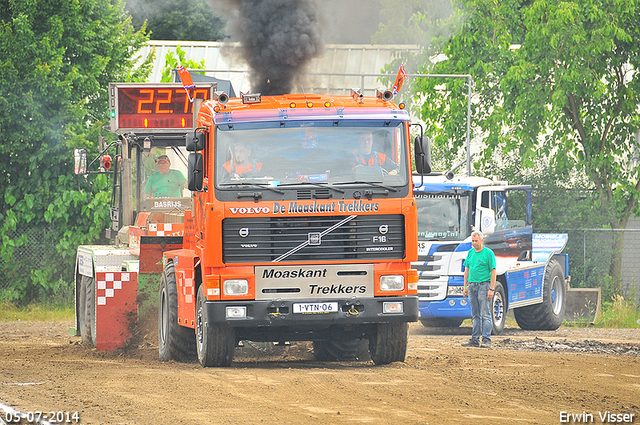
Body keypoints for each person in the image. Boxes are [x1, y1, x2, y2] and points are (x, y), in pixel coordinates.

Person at [462, 230, 497, 348]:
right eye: (472, 241)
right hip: (472, 286)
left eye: (476, 241)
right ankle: (475, 339)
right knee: (475, 314)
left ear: (481, 241)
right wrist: (465, 286)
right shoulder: (470, 253)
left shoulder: (488, 253)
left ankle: (486, 339)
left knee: (485, 313)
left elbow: (493, 271)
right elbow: (466, 270)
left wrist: (491, 289)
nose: (474, 243)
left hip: (484, 285)